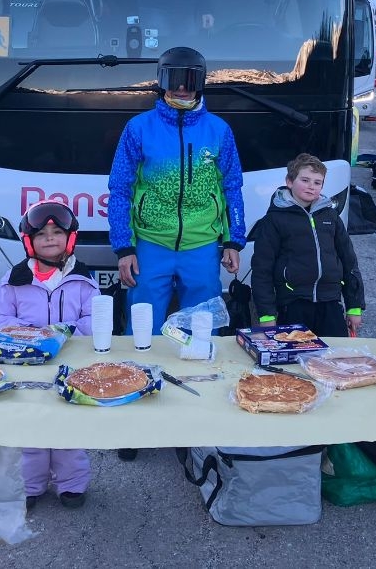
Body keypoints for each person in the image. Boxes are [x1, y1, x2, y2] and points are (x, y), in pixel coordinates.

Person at [108, 46, 245, 460]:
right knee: (142, 330)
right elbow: (120, 187)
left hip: (202, 244)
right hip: (152, 243)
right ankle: (134, 419)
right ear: (162, 82)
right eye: (175, 82)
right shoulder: (139, 128)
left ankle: (200, 415)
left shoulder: (219, 130)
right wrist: (124, 246)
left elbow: (231, 186)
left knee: (203, 330)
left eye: (190, 83)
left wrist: (233, 240)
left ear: (201, 83)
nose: (183, 91)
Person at [0, 201, 99, 509]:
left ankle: (71, 483)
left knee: (68, 428)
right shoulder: (15, 279)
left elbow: (95, 318)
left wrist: (67, 333)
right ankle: (30, 485)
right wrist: (25, 333)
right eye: (42, 233)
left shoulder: (83, 280)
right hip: (26, 365)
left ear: (70, 238)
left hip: (70, 365)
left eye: (57, 232)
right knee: (30, 428)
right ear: (28, 240)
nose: (50, 238)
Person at [251, 154, 365, 338]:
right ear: (289, 181)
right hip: (293, 303)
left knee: (336, 359)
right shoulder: (274, 219)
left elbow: (349, 261)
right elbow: (261, 269)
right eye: (305, 180)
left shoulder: (330, 216)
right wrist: (266, 315)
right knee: (294, 360)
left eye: (317, 182)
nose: (311, 186)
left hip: (330, 301)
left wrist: (354, 307)